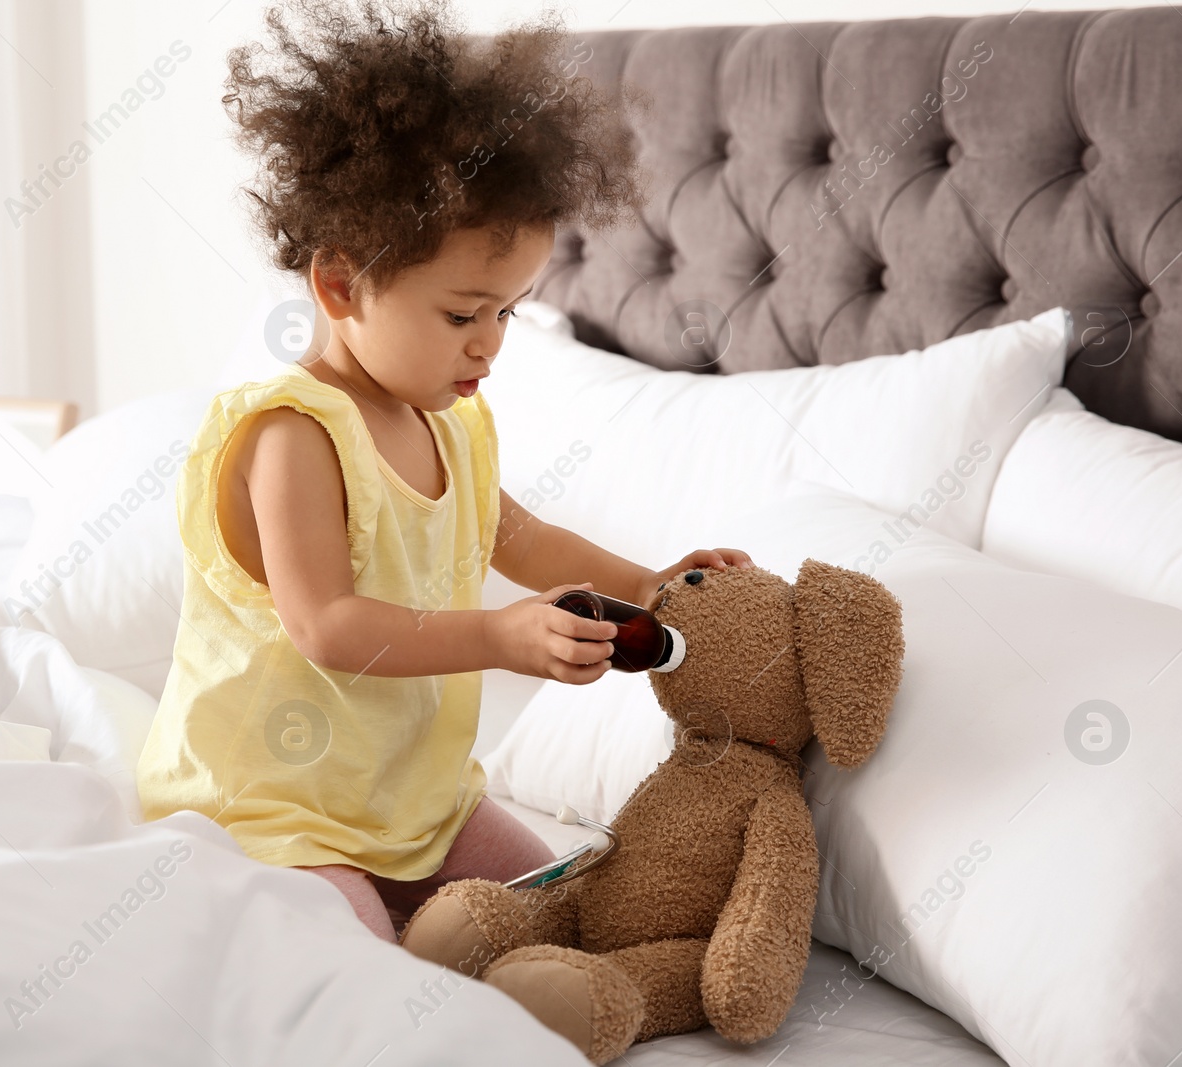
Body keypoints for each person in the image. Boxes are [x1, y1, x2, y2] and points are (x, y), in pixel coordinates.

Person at [136, 0, 754, 943]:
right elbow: (328, 626)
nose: (491, 344)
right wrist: (500, 639)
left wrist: (652, 585)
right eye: (464, 314)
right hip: (275, 808)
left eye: (510, 312)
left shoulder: (453, 423)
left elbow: (521, 537)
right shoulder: (294, 435)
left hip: (418, 806)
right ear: (341, 285)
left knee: (568, 912)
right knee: (357, 963)